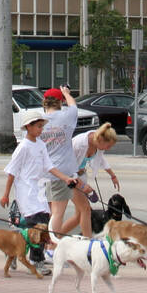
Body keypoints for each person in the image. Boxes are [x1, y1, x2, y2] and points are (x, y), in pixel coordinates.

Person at [1, 113, 75, 268]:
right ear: (29, 127)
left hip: (39, 187)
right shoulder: (23, 147)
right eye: (38, 126)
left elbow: (49, 166)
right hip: (26, 189)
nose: (41, 130)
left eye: (42, 126)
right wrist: (6, 194)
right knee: (36, 224)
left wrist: (65, 178)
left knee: (42, 222)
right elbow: (12, 172)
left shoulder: (41, 145)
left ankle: (14, 250)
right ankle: (36, 260)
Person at [39, 86, 91, 240]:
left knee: (52, 210)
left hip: (46, 172)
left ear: (45, 102)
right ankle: (52, 245)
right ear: (59, 102)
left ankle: (49, 244)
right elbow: (74, 106)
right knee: (57, 213)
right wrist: (66, 93)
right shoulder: (66, 117)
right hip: (63, 172)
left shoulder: (39, 121)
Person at [58, 122, 120, 234]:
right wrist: (82, 185)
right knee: (86, 209)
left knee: (79, 216)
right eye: (109, 146)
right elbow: (67, 166)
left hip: (81, 176)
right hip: (70, 178)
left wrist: (112, 175)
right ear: (101, 139)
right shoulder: (79, 143)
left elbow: (101, 160)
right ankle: (88, 242)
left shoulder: (98, 145)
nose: (109, 148)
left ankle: (55, 238)